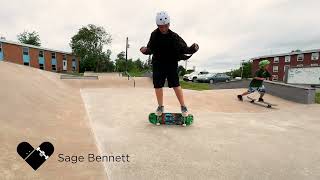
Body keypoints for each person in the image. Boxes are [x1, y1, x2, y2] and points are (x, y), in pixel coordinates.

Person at [140, 11, 199, 116]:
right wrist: (145, 50)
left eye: (165, 26)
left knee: (176, 84)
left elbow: (184, 48)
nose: (163, 29)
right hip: (158, 63)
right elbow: (151, 48)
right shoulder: (154, 35)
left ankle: (183, 106)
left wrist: (192, 49)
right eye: (161, 27)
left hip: (171, 64)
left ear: (169, 24)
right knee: (157, 85)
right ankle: (160, 106)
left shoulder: (174, 36)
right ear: (157, 25)